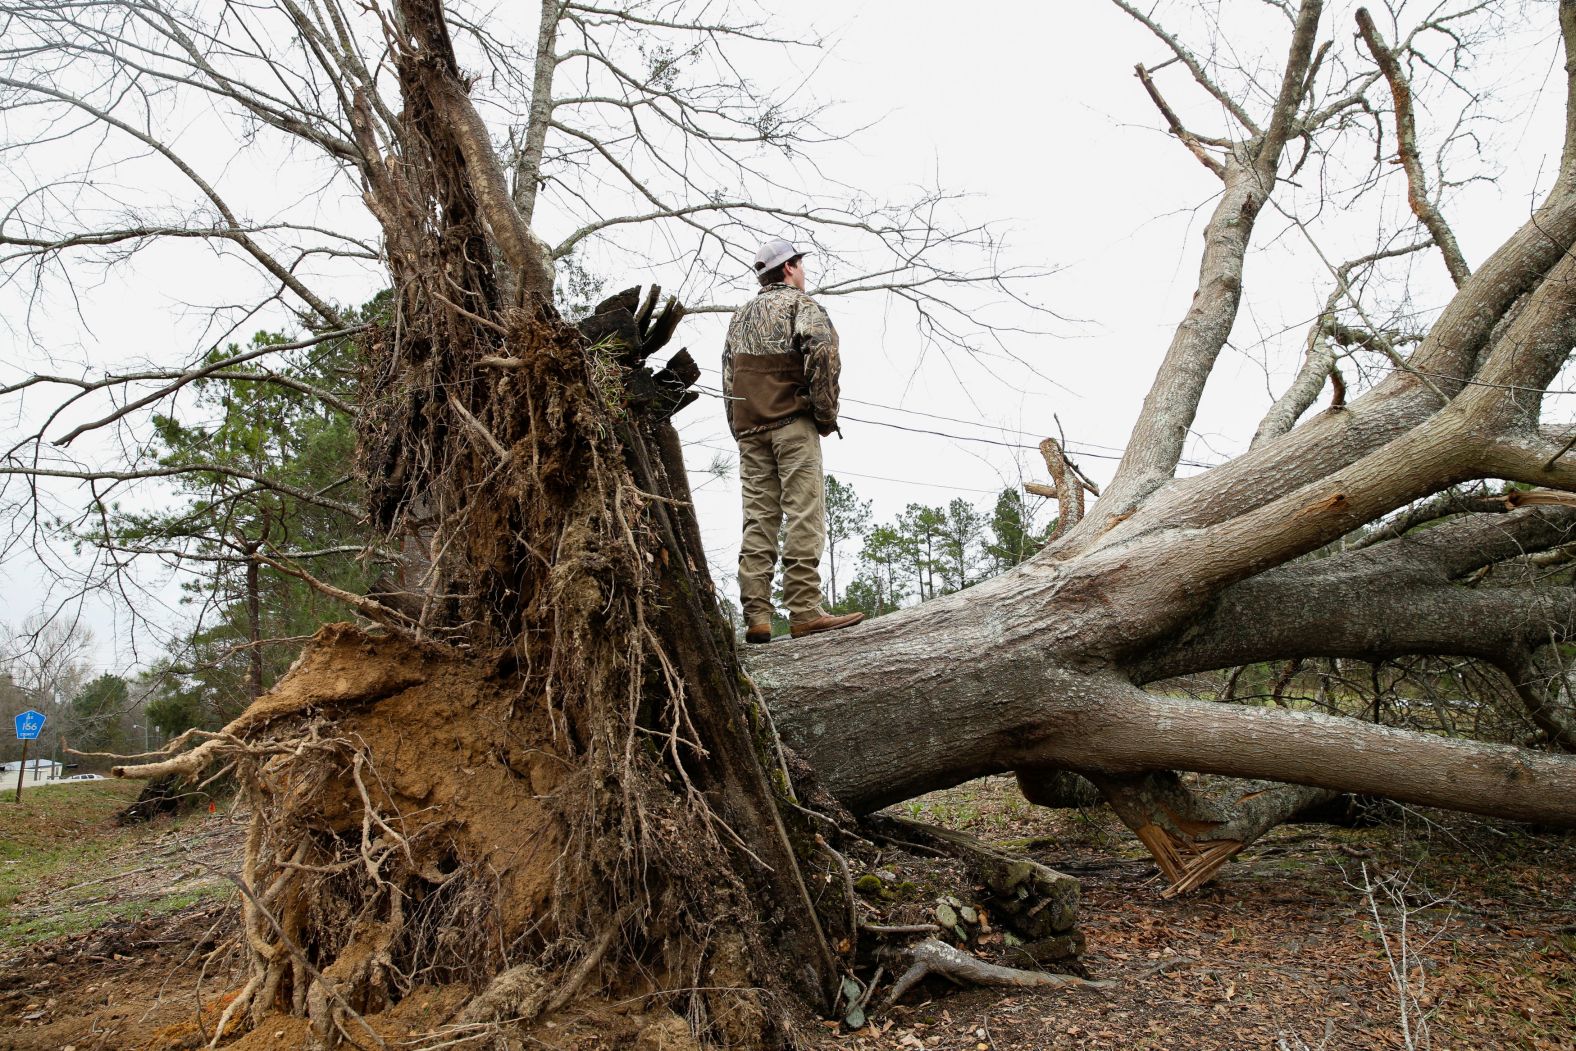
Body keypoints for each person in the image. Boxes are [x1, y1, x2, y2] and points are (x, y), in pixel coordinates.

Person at [723, 238, 866, 643]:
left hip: (750, 430)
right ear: (788, 268)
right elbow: (823, 353)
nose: (803, 272)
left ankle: (757, 618)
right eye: (800, 265)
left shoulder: (739, 316)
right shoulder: (801, 306)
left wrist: (739, 427)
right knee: (803, 511)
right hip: (791, 424)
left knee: (758, 519)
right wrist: (824, 415)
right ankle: (804, 611)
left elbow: (727, 375)